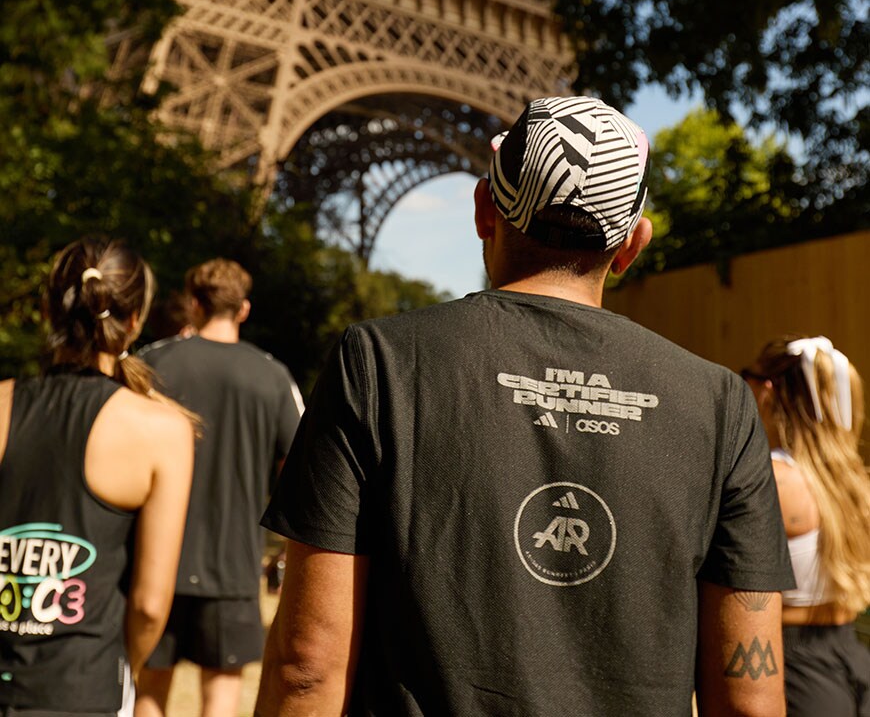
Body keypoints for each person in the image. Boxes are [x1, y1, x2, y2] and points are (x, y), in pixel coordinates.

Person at [255, 95, 795, 717]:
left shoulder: (377, 363)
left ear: (485, 209)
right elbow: (750, 701)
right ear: (632, 245)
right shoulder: (721, 404)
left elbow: (308, 667)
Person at [0, 236, 194, 717]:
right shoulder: (162, 430)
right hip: (83, 692)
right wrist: (125, 668)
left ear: (48, 310)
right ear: (133, 322)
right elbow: (150, 604)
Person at [135, 258, 303, 717]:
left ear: (193, 304)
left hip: (155, 562)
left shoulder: (150, 363)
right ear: (243, 309)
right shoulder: (272, 376)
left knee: (148, 690)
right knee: (222, 697)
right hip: (232, 567)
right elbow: (305, 470)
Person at [741, 335, 870, 715]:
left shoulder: (772, 480)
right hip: (853, 657)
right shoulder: (857, 485)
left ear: (768, 390)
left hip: (788, 662)